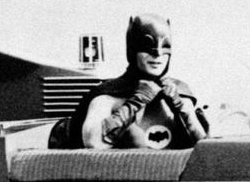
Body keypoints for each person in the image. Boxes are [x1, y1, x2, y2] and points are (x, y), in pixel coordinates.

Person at [62, 14, 209, 149]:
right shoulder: (106, 97)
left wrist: (181, 108)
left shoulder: (181, 93)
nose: (157, 55)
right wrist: (134, 104)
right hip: (122, 174)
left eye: (165, 47)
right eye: (146, 46)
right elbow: (93, 144)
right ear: (133, 49)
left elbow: (204, 151)